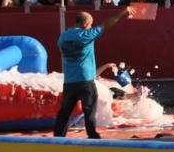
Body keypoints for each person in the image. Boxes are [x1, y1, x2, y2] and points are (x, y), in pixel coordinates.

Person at [54, 7, 131, 139]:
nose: (91, 27)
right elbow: (106, 24)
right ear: (85, 24)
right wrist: (123, 13)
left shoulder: (63, 37)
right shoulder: (86, 35)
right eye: (90, 24)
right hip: (85, 80)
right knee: (89, 110)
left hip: (69, 81)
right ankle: (92, 136)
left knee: (65, 112)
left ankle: (58, 136)